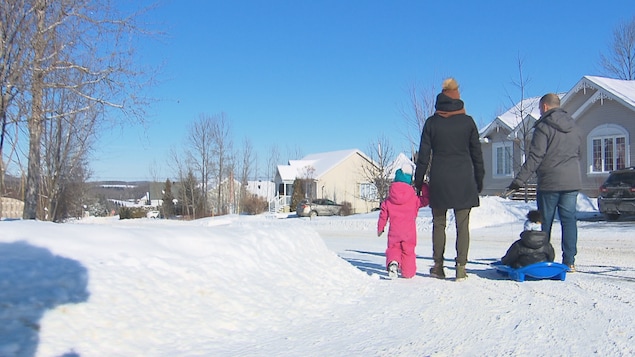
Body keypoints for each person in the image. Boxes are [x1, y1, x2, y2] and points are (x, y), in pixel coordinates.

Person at [413, 78, 485, 281]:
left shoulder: (431, 123)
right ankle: (461, 268)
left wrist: (418, 182)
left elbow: (423, 156)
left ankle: (438, 266)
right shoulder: (468, 122)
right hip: (464, 179)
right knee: (463, 225)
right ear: (458, 96)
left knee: (439, 223)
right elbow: (477, 155)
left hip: (440, 179)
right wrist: (479, 180)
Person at [507, 93, 582, 272]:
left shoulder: (544, 126)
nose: (540, 112)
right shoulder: (574, 125)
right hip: (572, 181)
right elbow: (579, 153)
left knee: (545, 222)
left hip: (550, 182)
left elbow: (535, 157)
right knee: (569, 220)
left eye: (540, 108)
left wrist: (518, 181)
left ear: (545, 107)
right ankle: (569, 261)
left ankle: (542, 258)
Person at [377, 165, 429, 279]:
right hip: (409, 233)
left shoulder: (389, 201)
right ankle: (408, 272)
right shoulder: (414, 199)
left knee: (393, 248)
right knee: (408, 252)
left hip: (394, 232)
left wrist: (380, 227)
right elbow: (425, 200)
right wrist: (423, 186)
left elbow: (383, 215)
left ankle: (393, 263)